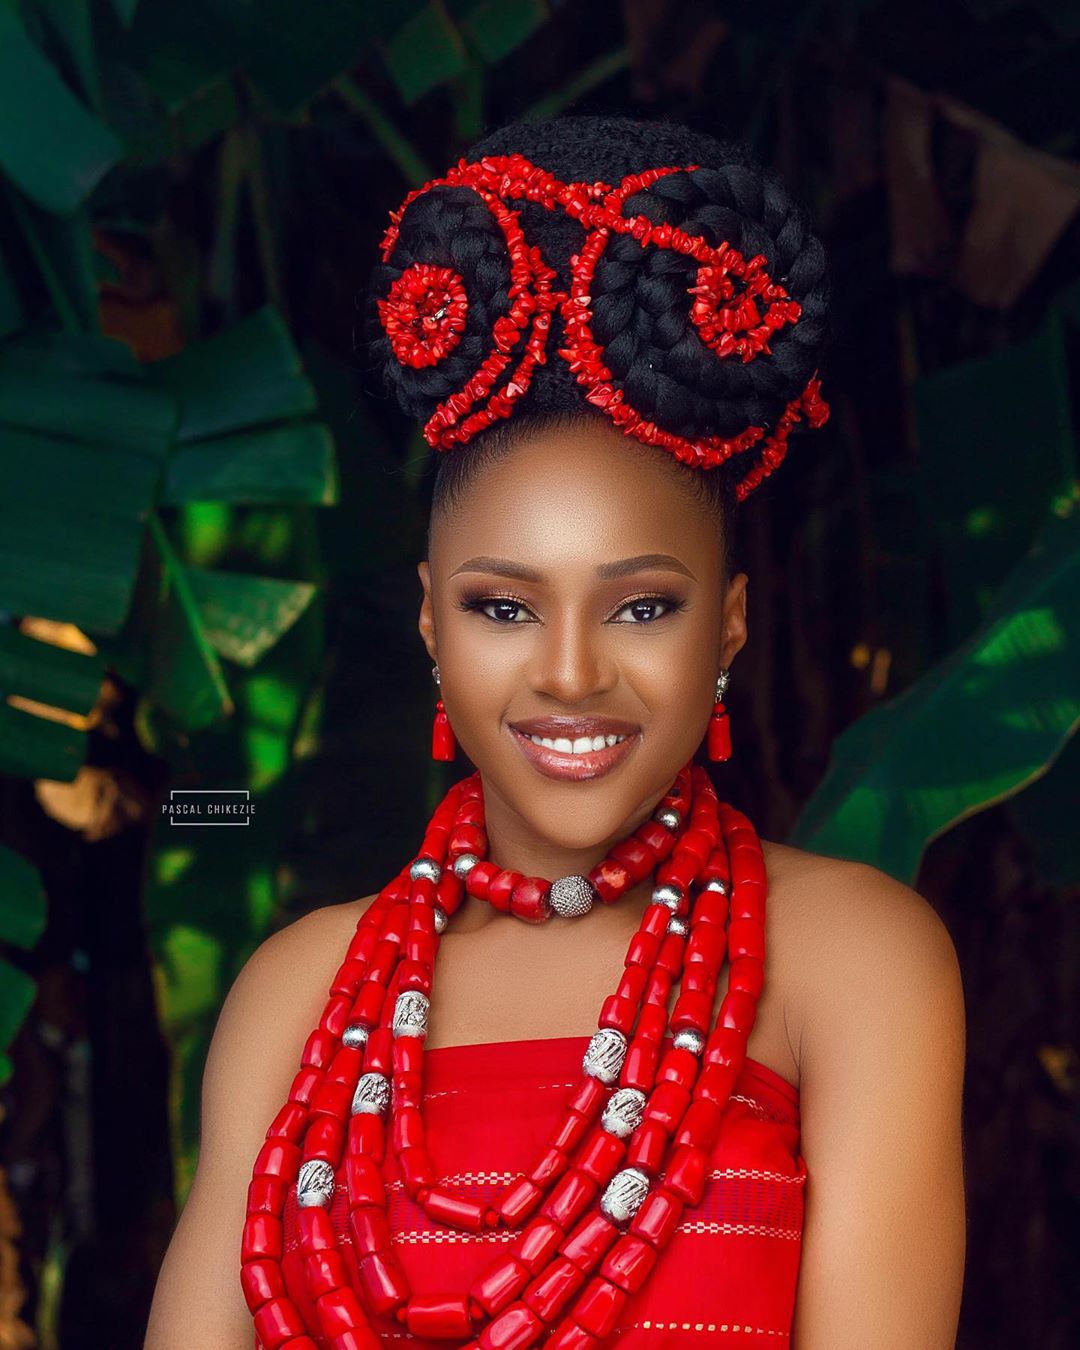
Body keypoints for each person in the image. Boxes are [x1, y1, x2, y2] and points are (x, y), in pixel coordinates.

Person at [145, 115, 967, 1349]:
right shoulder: (299, 992)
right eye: (502, 606)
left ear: (729, 626)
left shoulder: (850, 963)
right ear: (430, 622)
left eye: (643, 605)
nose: (571, 673)